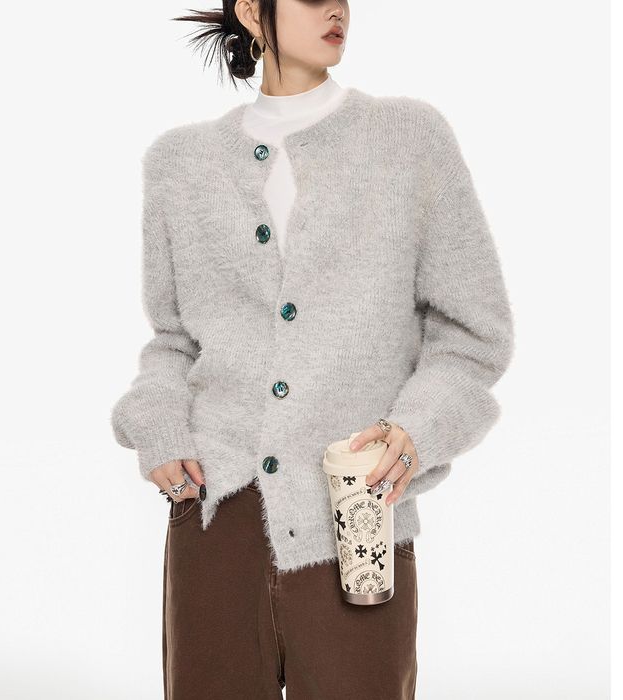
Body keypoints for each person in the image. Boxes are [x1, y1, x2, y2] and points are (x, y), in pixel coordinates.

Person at [110, 1, 515, 697]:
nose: (335, 8)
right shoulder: (179, 163)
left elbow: (474, 334)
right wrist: (158, 424)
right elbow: (174, 340)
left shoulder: (409, 138)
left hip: (357, 512)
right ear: (251, 11)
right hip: (215, 518)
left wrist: (416, 430)